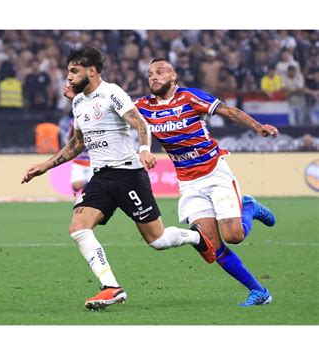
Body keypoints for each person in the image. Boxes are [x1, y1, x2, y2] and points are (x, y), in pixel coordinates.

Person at [22, 45, 215, 311]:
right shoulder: (78, 102)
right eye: (68, 71)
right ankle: (111, 287)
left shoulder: (112, 93)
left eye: (74, 71)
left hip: (128, 175)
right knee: (78, 226)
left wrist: (145, 149)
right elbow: (77, 144)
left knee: (157, 240)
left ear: (91, 71)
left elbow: (140, 123)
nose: (68, 76)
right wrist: (45, 166)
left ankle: (196, 237)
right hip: (101, 176)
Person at [135, 58, 279, 306]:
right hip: (188, 183)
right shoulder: (143, 107)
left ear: (173, 76)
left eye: (160, 72)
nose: (154, 77)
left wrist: (257, 126)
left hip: (214, 172)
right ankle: (259, 292)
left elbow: (229, 111)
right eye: (150, 74)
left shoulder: (190, 97)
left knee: (234, 236)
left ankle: (249, 207)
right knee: (211, 246)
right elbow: (122, 116)